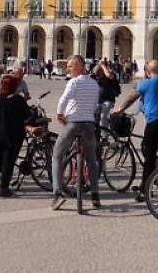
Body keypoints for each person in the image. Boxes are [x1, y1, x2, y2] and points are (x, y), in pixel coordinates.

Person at [115, 59, 158, 202]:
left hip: (155, 121)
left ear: (148, 71)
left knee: (149, 156)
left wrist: (120, 109)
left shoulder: (145, 84)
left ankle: (145, 190)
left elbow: (131, 98)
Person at [51, 55, 101, 210]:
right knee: (91, 160)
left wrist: (59, 114)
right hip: (89, 124)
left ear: (80, 66)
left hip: (73, 123)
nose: (68, 69)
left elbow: (63, 100)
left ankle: (57, 194)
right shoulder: (94, 83)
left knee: (57, 156)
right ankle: (95, 195)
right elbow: (94, 105)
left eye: (70, 66)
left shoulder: (74, 82)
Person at [0, 75, 30, 197]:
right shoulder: (17, 100)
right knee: (8, 162)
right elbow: (26, 115)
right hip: (11, 136)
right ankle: (3, 188)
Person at [94, 59, 120, 128]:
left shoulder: (111, 73)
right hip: (98, 100)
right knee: (95, 118)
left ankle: (104, 136)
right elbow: (94, 71)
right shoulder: (98, 75)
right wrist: (99, 65)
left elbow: (109, 75)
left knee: (103, 117)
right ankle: (97, 134)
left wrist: (103, 65)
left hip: (108, 99)